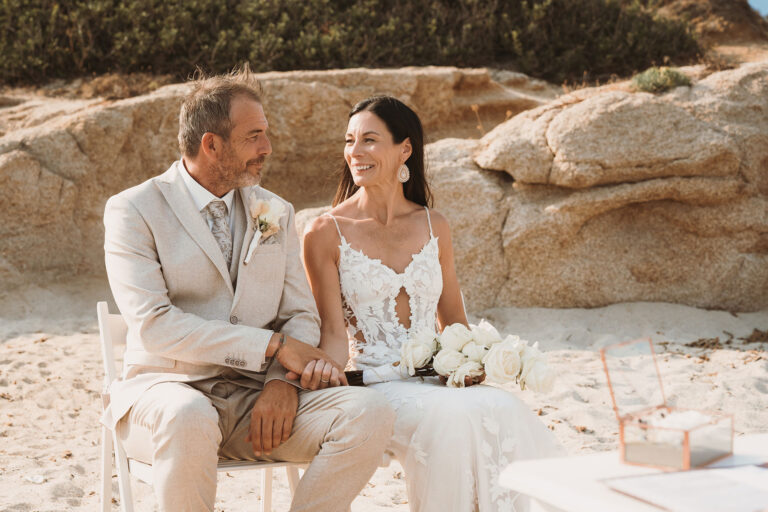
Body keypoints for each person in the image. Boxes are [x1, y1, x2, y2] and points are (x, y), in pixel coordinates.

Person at [102, 68, 395, 512]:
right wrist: (272, 347)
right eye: (254, 136)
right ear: (212, 144)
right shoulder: (134, 210)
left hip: (256, 405)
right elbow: (155, 326)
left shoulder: (274, 210)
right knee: (189, 415)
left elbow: (300, 314)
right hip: (164, 396)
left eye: (266, 134)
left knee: (369, 415)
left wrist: (282, 383)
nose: (267, 148)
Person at [301, 96, 559, 511]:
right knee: (454, 420)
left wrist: (473, 363)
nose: (355, 152)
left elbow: (454, 321)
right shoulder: (325, 232)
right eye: (350, 141)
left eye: (369, 140)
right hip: (377, 386)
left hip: (436, 380)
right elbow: (331, 330)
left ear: (405, 150)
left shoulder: (432, 224)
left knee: (504, 407)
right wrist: (325, 380)